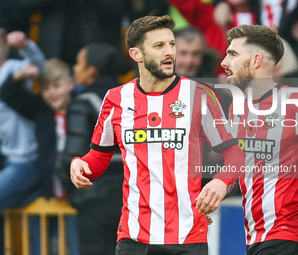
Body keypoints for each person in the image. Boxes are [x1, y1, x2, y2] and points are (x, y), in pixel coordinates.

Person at [70, 15, 245, 255]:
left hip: (187, 237)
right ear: (136, 54)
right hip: (133, 237)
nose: (169, 52)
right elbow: (98, 157)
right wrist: (79, 163)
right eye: (159, 46)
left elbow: (235, 153)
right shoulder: (116, 99)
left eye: (171, 44)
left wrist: (220, 181)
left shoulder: (200, 95)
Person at [199, 24, 298, 255]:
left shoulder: (296, 103)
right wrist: (219, 188)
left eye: (233, 54)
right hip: (257, 236)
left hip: (289, 234)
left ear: (255, 61)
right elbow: (241, 166)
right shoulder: (237, 106)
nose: (224, 62)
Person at [0, 58, 79, 255]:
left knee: (75, 247)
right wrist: (19, 75)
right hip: (48, 190)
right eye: (45, 88)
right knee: (41, 245)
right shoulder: (41, 111)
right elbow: (7, 93)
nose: (51, 92)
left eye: (56, 86)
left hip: (76, 198)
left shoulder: (81, 106)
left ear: (70, 84)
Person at [57, 43, 130, 255]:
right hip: (131, 200)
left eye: (79, 63)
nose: (74, 68)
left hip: (94, 202)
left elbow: (74, 154)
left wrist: (66, 181)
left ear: (92, 71)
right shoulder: (132, 100)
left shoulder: (82, 103)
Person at [0, 28, 45, 255]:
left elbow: (41, 66)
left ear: (5, 47)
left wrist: (26, 46)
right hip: (9, 159)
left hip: (27, 159)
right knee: (32, 219)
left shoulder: (13, 68)